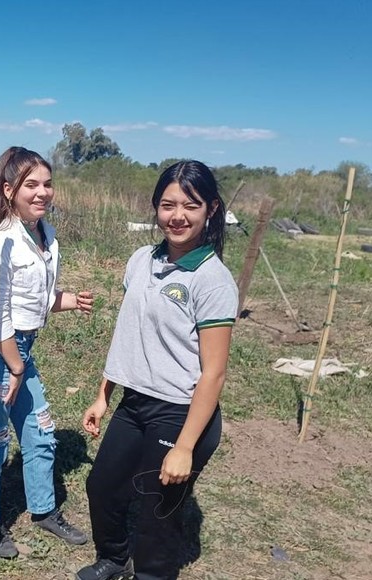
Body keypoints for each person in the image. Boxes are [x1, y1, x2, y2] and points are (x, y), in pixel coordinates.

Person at [77, 160, 237, 580]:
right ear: (155, 208)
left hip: (181, 410)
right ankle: (112, 560)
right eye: (168, 205)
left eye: (191, 205)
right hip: (134, 403)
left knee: (157, 513)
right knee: (103, 488)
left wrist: (184, 446)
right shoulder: (140, 260)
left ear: (212, 210)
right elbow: (129, 335)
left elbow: (214, 373)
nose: (177, 216)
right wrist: (103, 394)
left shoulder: (212, 280)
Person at [0, 146, 94, 559]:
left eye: (47, 183)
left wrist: (70, 299)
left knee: (41, 432)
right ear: (8, 190)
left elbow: (33, 300)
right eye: (31, 185)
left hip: (21, 351)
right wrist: (16, 367)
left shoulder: (46, 236)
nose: (42, 192)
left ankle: (43, 510)